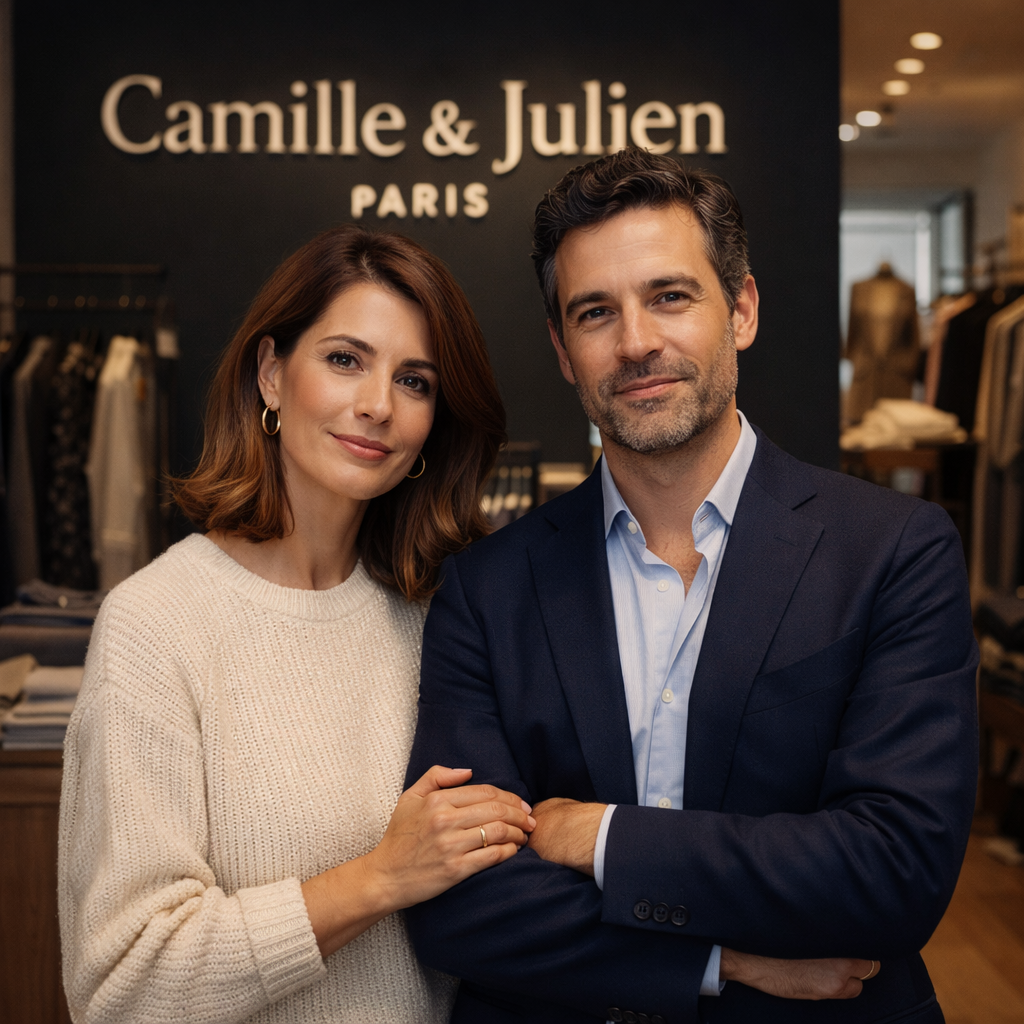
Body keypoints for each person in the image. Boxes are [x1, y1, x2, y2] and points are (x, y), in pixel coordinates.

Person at [405, 150, 979, 1023]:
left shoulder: (893, 549)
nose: (636, 342)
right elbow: (459, 903)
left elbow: (894, 872)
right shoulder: (487, 588)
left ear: (741, 309)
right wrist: (719, 961)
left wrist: (601, 835)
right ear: (563, 350)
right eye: (596, 312)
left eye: (669, 296)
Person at [57, 224, 536, 1024]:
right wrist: (380, 877)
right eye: (345, 360)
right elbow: (124, 984)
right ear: (272, 374)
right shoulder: (156, 625)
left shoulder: (436, 616)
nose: (378, 405)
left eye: (414, 381)